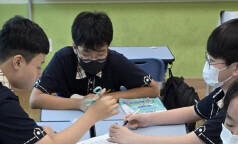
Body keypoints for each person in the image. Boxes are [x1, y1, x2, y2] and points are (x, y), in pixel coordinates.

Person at [0, 15, 119, 144]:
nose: (39, 75)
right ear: (18, 62)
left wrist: (33, 133)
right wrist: (92, 115)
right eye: (38, 67)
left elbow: (4, 126)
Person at [108, 18, 238, 144]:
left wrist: (133, 139)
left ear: (237, 68)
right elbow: (193, 112)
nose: (208, 64)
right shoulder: (224, 90)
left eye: (212, 60)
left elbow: (189, 143)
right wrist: (147, 119)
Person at [29, 11, 159, 111]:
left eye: (101, 53)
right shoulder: (63, 60)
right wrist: (79, 104)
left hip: (105, 118)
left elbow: (153, 89)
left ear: (108, 47)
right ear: (75, 48)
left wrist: (111, 97)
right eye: (86, 54)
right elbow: (35, 99)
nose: (94, 59)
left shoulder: (115, 61)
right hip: (69, 117)